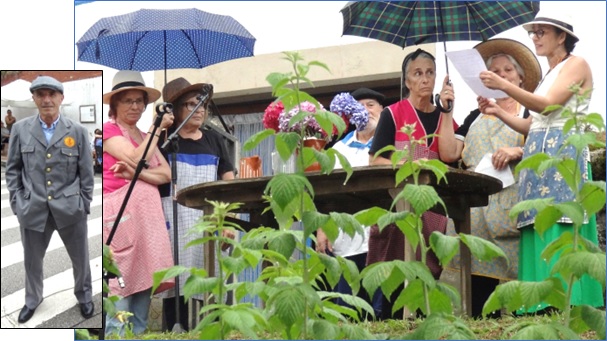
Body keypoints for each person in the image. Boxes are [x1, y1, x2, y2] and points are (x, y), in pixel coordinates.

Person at [479, 10, 604, 312]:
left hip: (563, 151)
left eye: (541, 32)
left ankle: (572, 299)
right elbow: (532, 124)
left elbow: (548, 108)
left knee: (561, 218)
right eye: (532, 33)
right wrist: (500, 111)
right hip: (537, 153)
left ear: (562, 36)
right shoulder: (547, 75)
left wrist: (505, 85)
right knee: (536, 222)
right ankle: (539, 302)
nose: (535, 38)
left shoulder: (577, 64)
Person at [444, 38, 541, 318]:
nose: (501, 75)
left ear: (521, 79)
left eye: (508, 70)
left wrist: (518, 150)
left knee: (519, 293)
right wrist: (447, 109)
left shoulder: (530, 112)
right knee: (477, 294)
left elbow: (547, 148)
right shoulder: (475, 114)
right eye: (494, 71)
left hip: (511, 209)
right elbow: (450, 152)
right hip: (475, 214)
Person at [367, 48, 460, 319]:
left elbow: (450, 154)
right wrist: (409, 168)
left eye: (430, 73)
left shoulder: (446, 116)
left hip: (433, 209)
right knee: (396, 281)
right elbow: (376, 161)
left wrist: (447, 111)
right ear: (406, 81)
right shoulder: (393, 114)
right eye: (417, 73)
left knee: (428, 283)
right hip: (399, 208)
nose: (425, 79)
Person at [5, 76, 95, 323]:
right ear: (34, 98)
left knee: (81, 259)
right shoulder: (20, 129)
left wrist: (84, 202)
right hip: (32, 207)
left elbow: (86, 172)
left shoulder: (76, 131)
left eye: (52, 94)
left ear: (61, 98)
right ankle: (32, 300)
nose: (47, 99)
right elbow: (12, 169)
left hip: (70, 207)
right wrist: (17, 201)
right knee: (32, 261)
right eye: (41, 94)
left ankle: (85, 296)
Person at [157, 77, 235, 331]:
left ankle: (211, 332)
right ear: (174, 109)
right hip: (173, 220)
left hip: (209, 220)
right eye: (191, 104)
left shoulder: (214, 139)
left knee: (210, 280)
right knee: (176, 282)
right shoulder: (164, 140)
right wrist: (158, 129)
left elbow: (228, 180)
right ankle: (175, 332)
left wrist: (226, 221)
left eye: (202, 104)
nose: (199, 109)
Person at [102, 71, 175, 336]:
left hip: (148, 226)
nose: (134, 106)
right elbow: (135, 155)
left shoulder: (145, 134)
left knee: (141, 312)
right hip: (121, 221)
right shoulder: (110, 131)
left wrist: (137, 174)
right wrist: (157, 129)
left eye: (139, 101)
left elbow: (165, 174)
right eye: (127, 101)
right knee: (118, 307)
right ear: (115, 106)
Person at [316, 88, 385, 316]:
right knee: (347, 315)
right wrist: (322, 227)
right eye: (359, 106)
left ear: (383, 111)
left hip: (380, 243)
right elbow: (326, 195)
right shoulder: (338, 149)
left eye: (371, 105)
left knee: (380, 316)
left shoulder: (389, 146)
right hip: (345, 246)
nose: (365, 111)